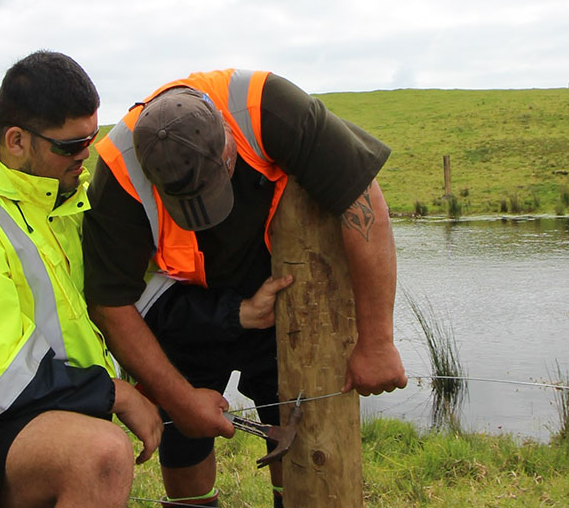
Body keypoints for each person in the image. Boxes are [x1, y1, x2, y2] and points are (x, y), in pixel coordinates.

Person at [83, 69, 408, 507]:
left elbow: (362, 199)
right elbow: (110, 303)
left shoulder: (269, 108)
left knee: (292, 427)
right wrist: (178, 401)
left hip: (278, 297)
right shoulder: (119, 172)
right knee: (184, 442)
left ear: (227, 141)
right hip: (179, 309)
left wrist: (377, 342)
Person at [0, 51, 161, 508]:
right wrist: (114, 393)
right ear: (16, 141)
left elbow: (118, 298)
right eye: (70, 146)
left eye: (91, 140)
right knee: (100, 454)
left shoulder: (60, 204)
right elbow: (3, 379)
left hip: (37, 407)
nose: (85, 157)